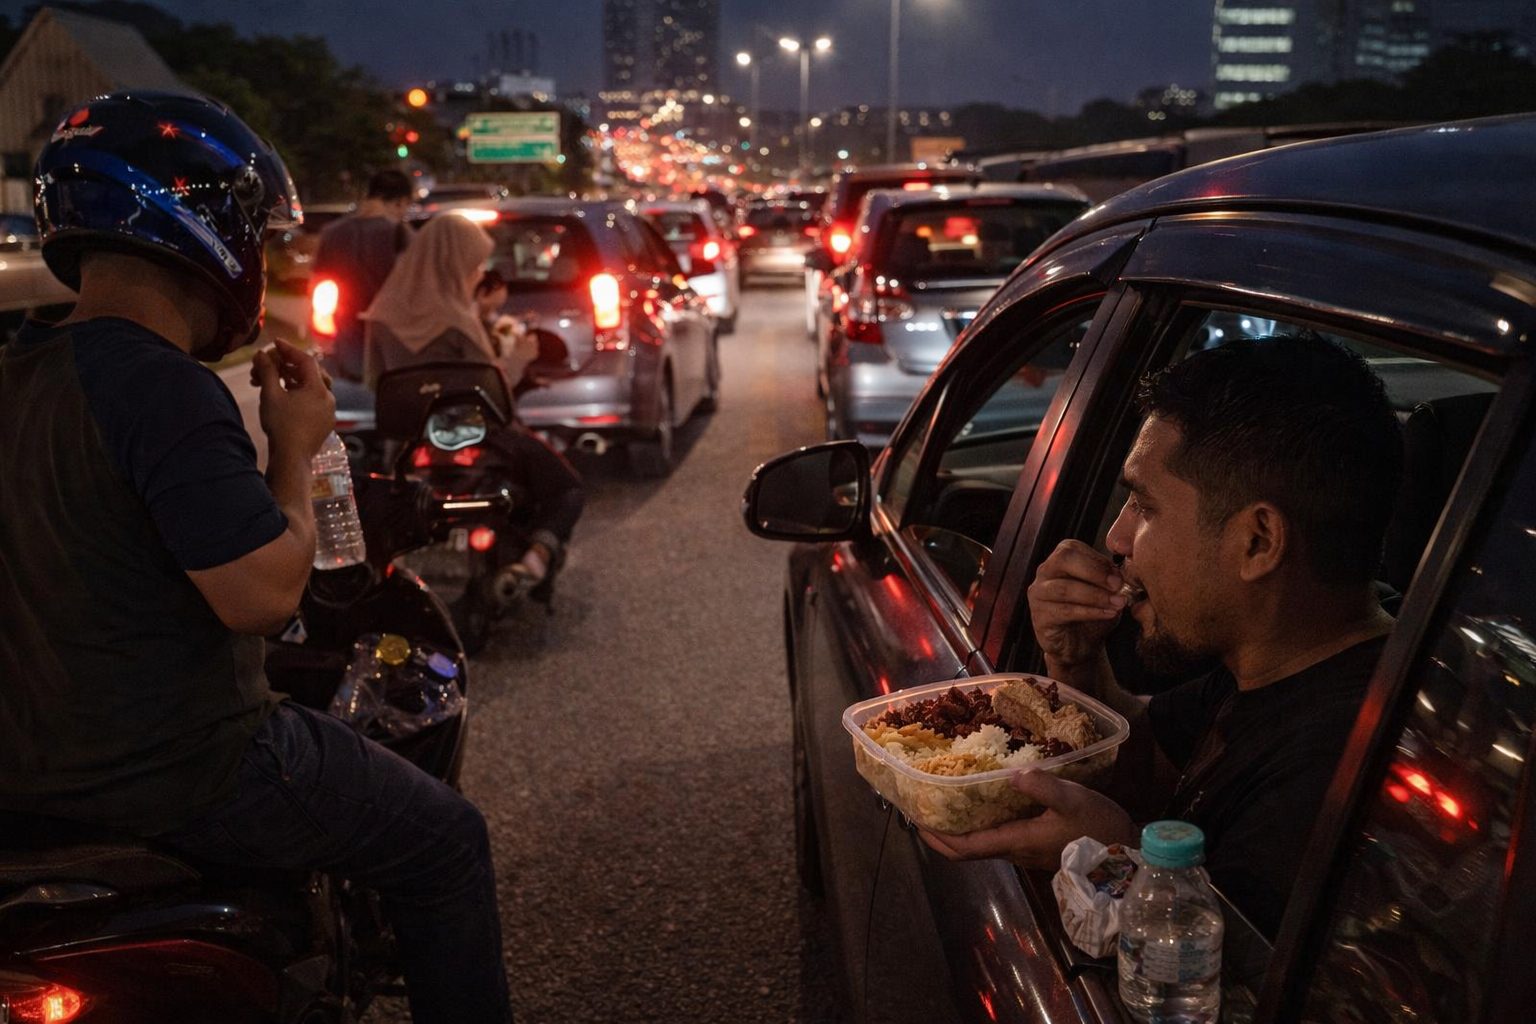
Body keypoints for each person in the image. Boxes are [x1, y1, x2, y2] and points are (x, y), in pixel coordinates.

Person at [0, 92, 512, 1023]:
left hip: (25, 772)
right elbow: (266, 596)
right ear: (209, 231)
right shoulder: (162, 386)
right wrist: (296, 444)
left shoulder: (18, 373)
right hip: (178, 771)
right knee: (447, 844)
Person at [921, 335, 1404, 938]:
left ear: (1257, 542)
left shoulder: (1337, 770)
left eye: (1143, 507)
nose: (1117, 539)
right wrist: (1076, 665)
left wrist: (1122, 861)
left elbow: (1235, 983)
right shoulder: (1267, 665)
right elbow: (1149, 757)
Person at [365, 213, 584, 588]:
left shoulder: (381, 316)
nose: (479, 273)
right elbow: (493, 388)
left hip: (410, 442)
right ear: (454, 261)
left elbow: (374, 381)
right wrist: (520, 357)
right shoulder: (455, 320)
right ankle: (536, 558)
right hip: (478, 434)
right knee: (567, 487)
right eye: (474, 263)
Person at [313, 168, 414, 381]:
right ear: (400, 202)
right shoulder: (402, 235)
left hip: (346, 341)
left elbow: (320, 290)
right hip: (391, 346)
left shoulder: (332, 233)